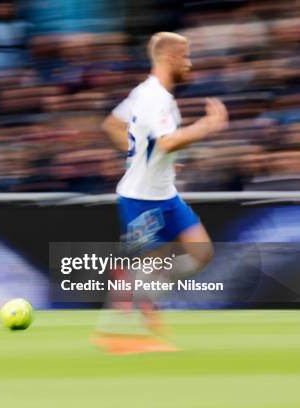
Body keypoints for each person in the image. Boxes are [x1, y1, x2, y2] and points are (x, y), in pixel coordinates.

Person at [97, 32, 228, 353]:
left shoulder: (145, 94)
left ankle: (138, 288)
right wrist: (208, 125)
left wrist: (149, 156)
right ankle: (114, 333)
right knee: (152, 266)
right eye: (185, 56)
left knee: (201, 253)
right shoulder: (154, 96)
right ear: (170, 58)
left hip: (165, 194)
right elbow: (168, 140)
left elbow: (114, 125)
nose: (190, 63)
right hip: (141, 197)